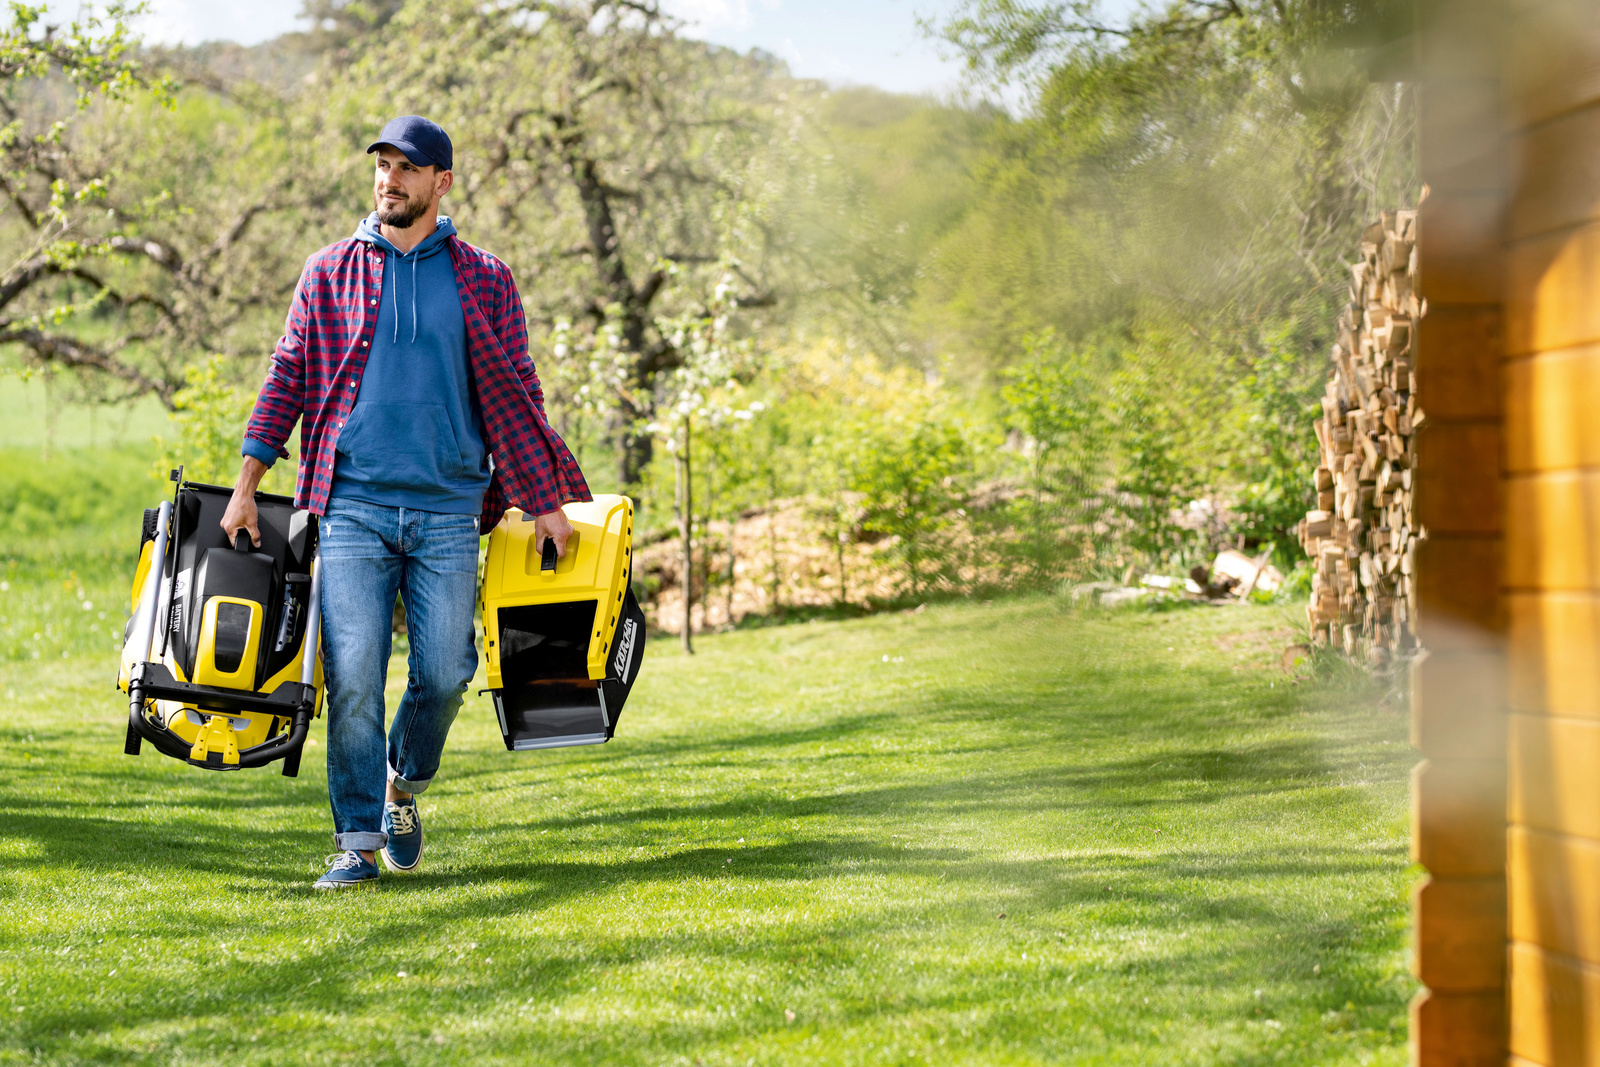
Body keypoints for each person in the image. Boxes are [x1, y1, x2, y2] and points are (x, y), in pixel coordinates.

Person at [220, 115, 589, 889]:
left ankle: (402, 787)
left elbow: (518, 394)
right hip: (350, 503)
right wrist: (248, 484)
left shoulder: (485, 277)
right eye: (381, 166)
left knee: (448, 670)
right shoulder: (328, 271)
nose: (389, 180)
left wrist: (546, 498)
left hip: (450, 508)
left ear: (441, 182)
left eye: (406, 169)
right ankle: (355, 844)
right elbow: (287, 373)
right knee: (353, 670)